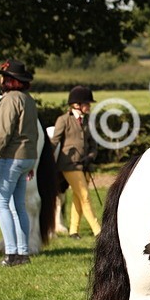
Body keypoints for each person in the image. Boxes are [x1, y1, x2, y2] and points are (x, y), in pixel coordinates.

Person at [0, 58, 39, 267]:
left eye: (4, 77)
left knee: (0, 203)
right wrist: (31, 162)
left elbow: (1, 134)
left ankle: (11, 253)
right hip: (26, 158)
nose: (1, 80)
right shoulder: (28, 99)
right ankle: (23, 252)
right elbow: (33, 133)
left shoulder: (11, 100)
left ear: (10, 80)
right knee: (18, 206)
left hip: (11, 157)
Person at [52, 85, 101, 239]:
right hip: (69, 165)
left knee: (77, 198)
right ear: (76, 104)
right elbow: (54, 141)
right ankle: (98, 230)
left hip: (85, 165)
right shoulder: (63, 120)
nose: (89, 106)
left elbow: (93, 144)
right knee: (85, 196)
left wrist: (91, 157)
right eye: (87, 103)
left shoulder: (88, 121)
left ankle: (74, 230)